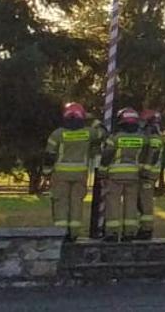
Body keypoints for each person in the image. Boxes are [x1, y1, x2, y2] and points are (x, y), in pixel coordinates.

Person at [43, 103, 101, 241]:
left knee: (61, 203)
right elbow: (102, 133)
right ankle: (74, 233)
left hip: (60, 175)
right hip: (80, 175)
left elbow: (49, 155)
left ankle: (61, 233)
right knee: (76, 203)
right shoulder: (88, 132)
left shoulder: (57, 134)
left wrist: (46, 173)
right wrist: (93, 119)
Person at [100, 108, 146, 241]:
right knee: (131, 205)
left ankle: (112, 233)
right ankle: (129, 233)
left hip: (115, 176)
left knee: (113, 204)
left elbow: (107, 155)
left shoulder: (115, 138)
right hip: (133, 176)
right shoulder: (142, 139)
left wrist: (102, 172)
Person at [137, 110, 164, 240]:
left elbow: (152, 157)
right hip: (145, 175)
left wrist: (145, 172)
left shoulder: (154, 138)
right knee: (140, 202)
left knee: (145, 203)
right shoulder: (152, 137)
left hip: (148, 176)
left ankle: (146, 229)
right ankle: (142, 227)